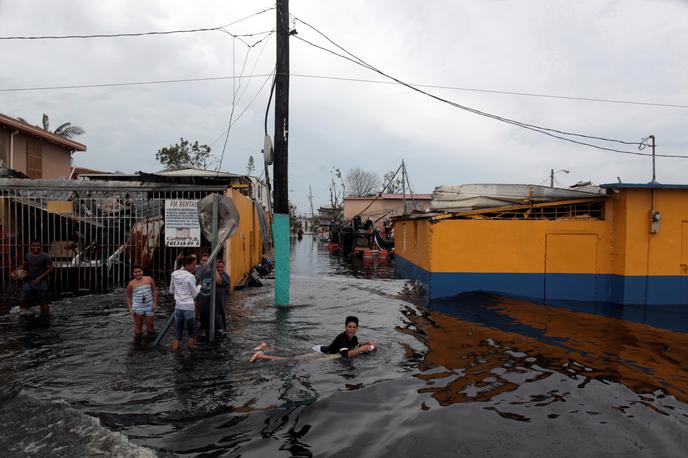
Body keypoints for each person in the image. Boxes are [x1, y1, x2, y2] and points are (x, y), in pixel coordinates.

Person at [250, 316, 377, 362]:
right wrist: (364, 349)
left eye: (354, 327)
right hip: (319, 352)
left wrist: (366, 344)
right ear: (345, 327)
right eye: (349, 327)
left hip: (323, 350)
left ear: (357, 328)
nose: (352, 329)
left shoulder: (353, 338)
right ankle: (260, 356)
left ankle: (265, 347)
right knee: (290, 359)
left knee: (289, 351)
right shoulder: (343, 337)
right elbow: (346, 355)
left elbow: (355, 346)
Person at [169, 255, 201, 351]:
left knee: (178, 335)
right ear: (186, 265)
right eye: (193, 265)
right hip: (189, 308)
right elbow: (195, 294)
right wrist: (199, 286)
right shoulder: (191, 277)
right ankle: (191, 356)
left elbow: (171, 290)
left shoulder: (174, 274)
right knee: (191, 334)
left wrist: (179, 294)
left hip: (178, 308)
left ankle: (175, 354)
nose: (194, 267)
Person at [16, 240, 54, 315]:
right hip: (28, 282)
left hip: (41, 283)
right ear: (30, 246)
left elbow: (50, 270)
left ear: (41, 247)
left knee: (43, 302)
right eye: (33, 245)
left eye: (37, 245)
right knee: (24, 300)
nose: (35, 247)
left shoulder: (46, 257)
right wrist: (17, 270)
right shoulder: (28, 255)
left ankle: (45, 317)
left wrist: (38, 279)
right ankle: (24, 317)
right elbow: (24, 265)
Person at [197, 258, 230, 336]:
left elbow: (219, 281)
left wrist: (214, 269)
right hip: (206, 308)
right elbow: (201, 284)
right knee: (204, 331)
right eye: (218, 267)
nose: (220, 269)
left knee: (220, 333)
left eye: (222, 267)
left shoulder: (224, 276)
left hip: (218, 309)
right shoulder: (207, 273)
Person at [125, 265, 158, 336]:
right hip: (137, 307)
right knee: (138, 326)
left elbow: (154, 291)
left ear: (142, 272)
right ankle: (137, 344)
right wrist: (130, 308)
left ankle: (150, 343)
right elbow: (128, 297)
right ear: (133, 273)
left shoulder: (149, 279)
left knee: (150, 326)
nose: (138, 273)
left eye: (139, 271)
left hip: (149, 306)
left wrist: (155, 303)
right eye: (135, 272)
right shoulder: (131, 283)